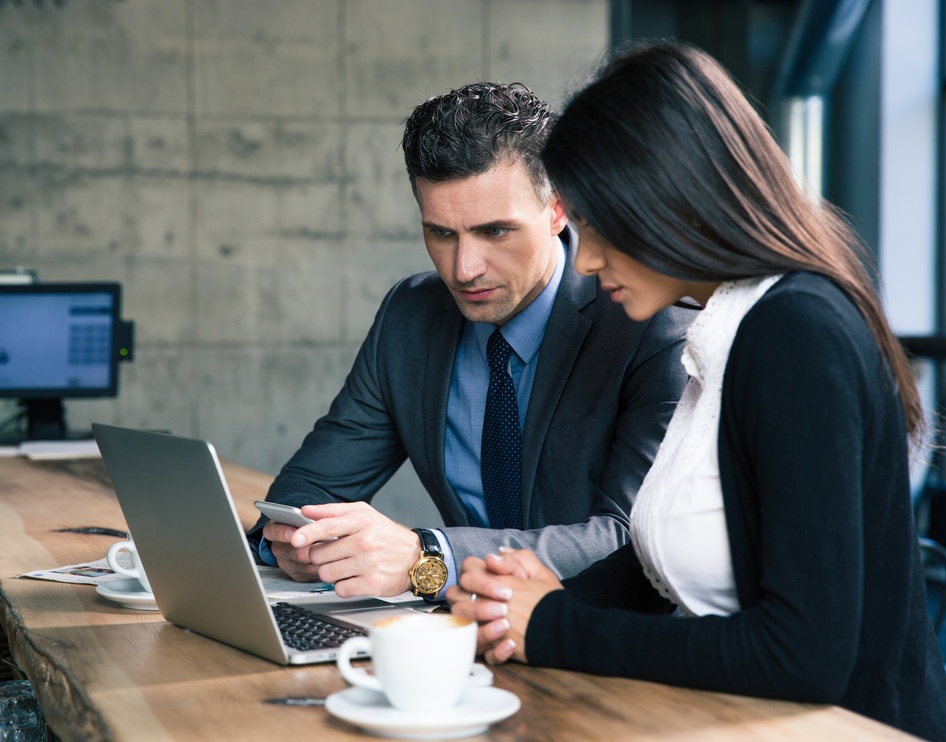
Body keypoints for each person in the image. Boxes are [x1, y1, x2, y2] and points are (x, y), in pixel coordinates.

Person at [448, 42, 946, 741]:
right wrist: (524, 600)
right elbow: (677, 562)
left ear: (669, 199)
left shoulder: (794, 331)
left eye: (602, 226)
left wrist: (552, 624)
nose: (591, 260)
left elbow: (802, 656)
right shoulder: (728, 327)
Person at [247, 81, 695, 602]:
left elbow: (629, 543)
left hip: (602, 644)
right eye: (441, 233)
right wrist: (299, 543)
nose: (464, 270)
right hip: (463, 639)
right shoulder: (410, 316)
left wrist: (428, 559)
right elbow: (310, 491)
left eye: (496, 232)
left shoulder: (649, 325)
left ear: (558, 210)